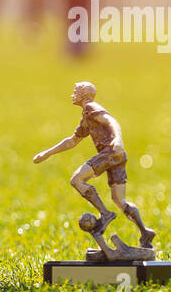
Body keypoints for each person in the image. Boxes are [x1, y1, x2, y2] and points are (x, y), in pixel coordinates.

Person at [32, 80, 154, 246]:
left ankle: (105, 214)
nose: (72, 94)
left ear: (83, 94)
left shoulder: (91, 108)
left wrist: (117, 140)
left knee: (76, 180)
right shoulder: (86, 117)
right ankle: (145, 232)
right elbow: (72, 141)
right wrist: (47, 153)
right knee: (120, 200)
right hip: (118, 155)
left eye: (75, 91)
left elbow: (112, 122)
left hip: (110, 152)